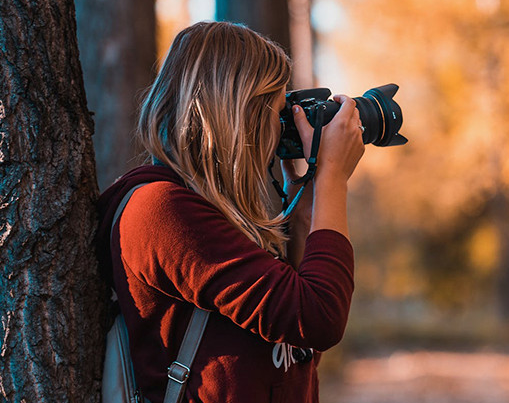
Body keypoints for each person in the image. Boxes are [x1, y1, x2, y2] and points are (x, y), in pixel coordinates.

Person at [93, 21, 364, 402]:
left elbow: (295, 343)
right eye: (277, 109)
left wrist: (302, 208)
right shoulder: (161, 211)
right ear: (241, 113)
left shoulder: (214, 211)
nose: (280, 126)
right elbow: (317, 318)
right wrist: (333, 178)